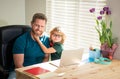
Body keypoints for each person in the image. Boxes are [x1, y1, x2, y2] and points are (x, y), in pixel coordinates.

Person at [8, 13, 50, 79]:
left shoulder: (47, 39)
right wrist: (31, 77)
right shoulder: (21, 40)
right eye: (37, 25)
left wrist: (41, 72)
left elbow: (46, 58)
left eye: (42, 26)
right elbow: (19, 65)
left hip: (38, 71)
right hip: (21, 71)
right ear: (31, 24)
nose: (39, 28)